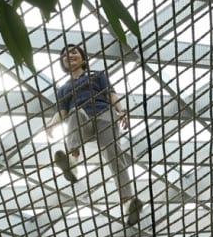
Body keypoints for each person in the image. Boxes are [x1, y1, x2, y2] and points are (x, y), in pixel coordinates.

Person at [47, 44, 143, 227]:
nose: (70, 55)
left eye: (74, 52)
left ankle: (128, 201)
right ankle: (72, 162)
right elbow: (62, 112)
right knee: (75, 113)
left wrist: (121, 111)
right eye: (65, 54)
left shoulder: (97, 76)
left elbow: (111, 94)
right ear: (63, 63)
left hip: (103, 116)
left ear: (83, 58)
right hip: (82, 121)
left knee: (114, 153)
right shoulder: (63, 89)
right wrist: (51, 125)